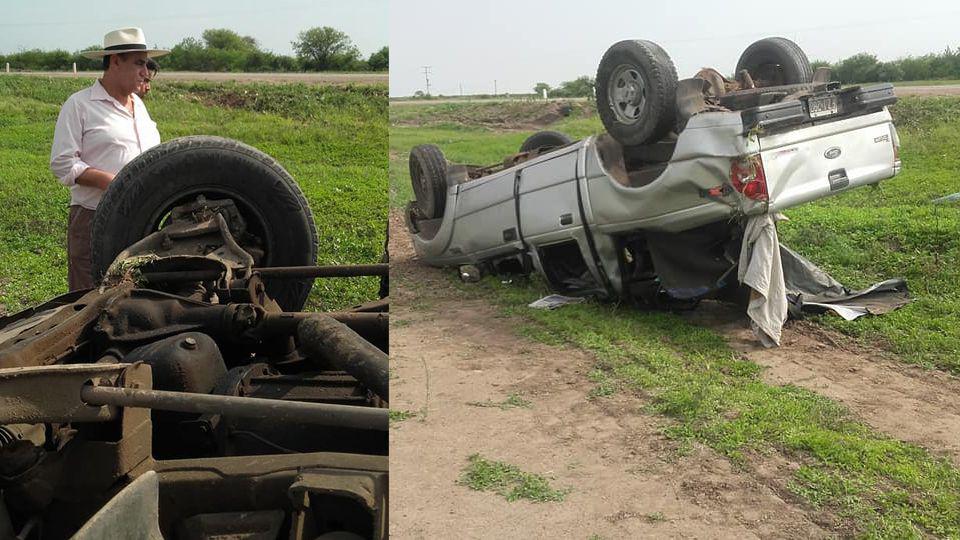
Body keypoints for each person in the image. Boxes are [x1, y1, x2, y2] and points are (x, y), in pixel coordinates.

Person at [49, 28, 169, 291]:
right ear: (115, 61)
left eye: (147, 64)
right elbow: (62, 163)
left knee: (132, 296)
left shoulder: (139, 107)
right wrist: (113, 183)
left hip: (140, 220)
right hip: (95, 218)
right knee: (88, 297)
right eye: (139, 63)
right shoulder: (80, 105)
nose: (146, 72)